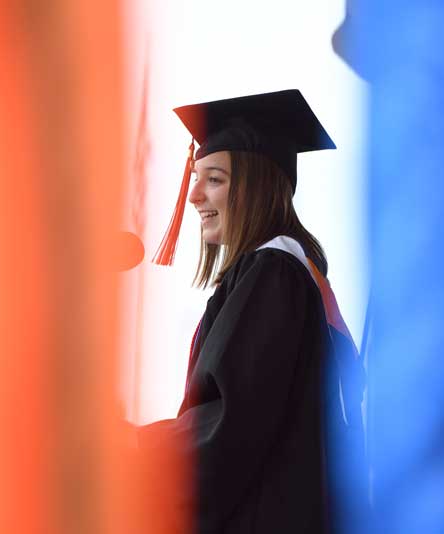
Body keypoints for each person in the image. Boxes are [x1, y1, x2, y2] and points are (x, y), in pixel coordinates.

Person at [137, 90, 366, 534]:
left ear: (257, 183)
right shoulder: (300, 273)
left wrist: (131, 453)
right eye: (196, 178)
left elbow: (229, 424)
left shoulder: (273, 270)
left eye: (215, 179)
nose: (195, 196)